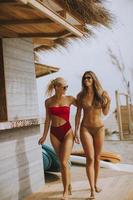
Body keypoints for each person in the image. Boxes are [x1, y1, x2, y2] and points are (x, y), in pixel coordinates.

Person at [74, 71, 111, 199]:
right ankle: (91, 190)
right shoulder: (80, 96)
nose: (86, 80)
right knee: (89, 157)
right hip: (85, 128)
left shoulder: (100, 94)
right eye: (84, 78)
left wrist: (109, 101)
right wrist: (75, 131)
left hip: (99, 128)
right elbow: (78, 114)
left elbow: (105, 113)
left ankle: (95, 184)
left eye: (89, 78)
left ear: (94, 79)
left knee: (97, 158)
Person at [38, 77, 76, 200]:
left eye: (67, 87)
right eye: (64, 87)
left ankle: (65, 191)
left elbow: (85, 105)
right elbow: (48, 119)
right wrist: (44, 136)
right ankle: (68, 185)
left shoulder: (70, 99)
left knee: (64, 162)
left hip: (67, 132)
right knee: (63, 162)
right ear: (56, 87)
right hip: (54, 133)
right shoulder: (48, 102)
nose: (66, 89)